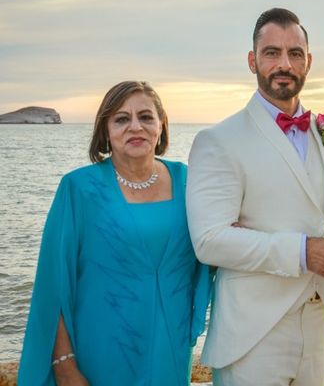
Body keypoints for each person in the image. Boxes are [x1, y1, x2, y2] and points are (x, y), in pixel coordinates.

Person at [186, 7, 324, 386]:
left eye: (295, 54)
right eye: (272, 52)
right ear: (252, 60)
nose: (284, 64)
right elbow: (209, 240)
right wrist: (301, 251)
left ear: (308, 62)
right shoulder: (218, 141)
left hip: (319, 327)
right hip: (253, 334)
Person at [18, 81, 211, 386]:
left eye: (145, 117)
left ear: (161, 126)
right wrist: (64, 365)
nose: (135, 127)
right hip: (101, 349)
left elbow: (216, 243)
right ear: (105, 131)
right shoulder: (79, 189)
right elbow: (53, 284)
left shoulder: (189, 181)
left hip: (170, 347)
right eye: (121, 119)